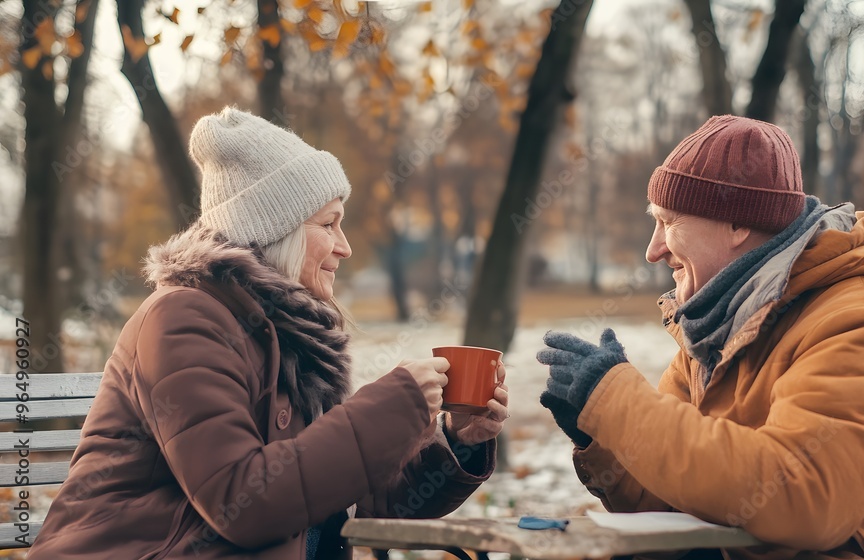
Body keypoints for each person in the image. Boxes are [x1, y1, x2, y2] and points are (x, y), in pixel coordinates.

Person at [30, 107, 508, 559]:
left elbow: (346, 499)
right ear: (276, 232)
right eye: (328, 224)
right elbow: (246, 503)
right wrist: (397, 404)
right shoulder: (183, 321)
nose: (345, 247)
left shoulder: (288, 338)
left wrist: (454, 439)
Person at [537, 115, 864, 559]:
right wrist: (602, 437)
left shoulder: (863, 318)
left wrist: (620, 405)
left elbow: (805, 500)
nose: (653, 250)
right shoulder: (714, 324)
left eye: (669, 222)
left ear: (736, 225)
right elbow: (673, 504)